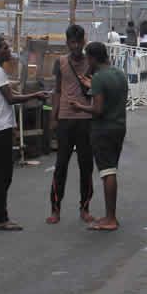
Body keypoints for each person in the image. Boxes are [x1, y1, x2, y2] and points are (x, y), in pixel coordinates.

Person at [0, 35, 49, 231]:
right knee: (4, 175)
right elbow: (11, 99)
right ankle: (1, 218)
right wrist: (35, 95)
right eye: (4, 47)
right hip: (0, 127)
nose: (8, 50)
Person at [71, 42, 128, 231]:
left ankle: (110, 218)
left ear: (93, 58)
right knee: (111, 169)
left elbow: (97, 109)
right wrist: (92, 86)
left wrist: (80, 107)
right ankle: (110, 216)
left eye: (88, 58)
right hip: (119, 126)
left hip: (103, 129)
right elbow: (111, 97)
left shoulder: (98, 78)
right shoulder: (119, 74)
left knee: (107, 172)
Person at [48, 24, 95, 225]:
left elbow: (97, 88)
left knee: (86, 166)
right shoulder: (60, 63)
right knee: (61, 166)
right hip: (66, 119)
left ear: (84, 41)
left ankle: (85, 208)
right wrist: (53, 116)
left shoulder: (91, 62)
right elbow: (57, 90)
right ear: (67, 42)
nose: (75, 46)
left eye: (78, 42)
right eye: (72, 42)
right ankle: (55, 209)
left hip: (86, 119)